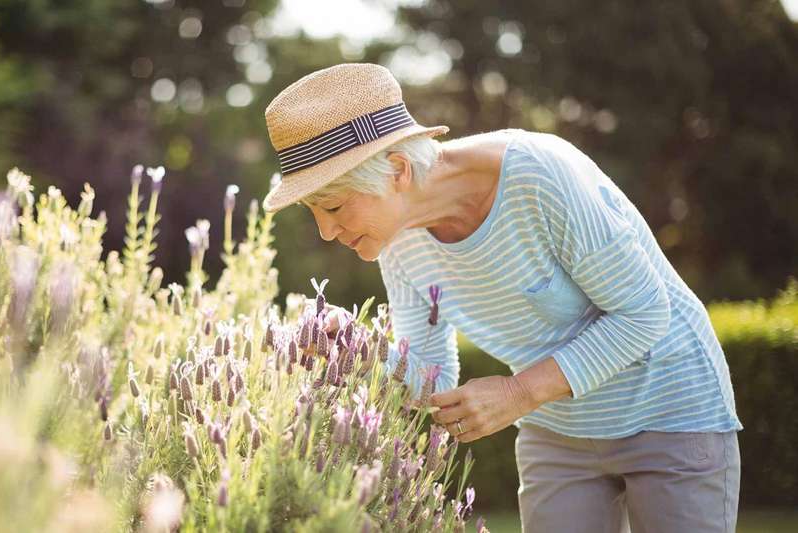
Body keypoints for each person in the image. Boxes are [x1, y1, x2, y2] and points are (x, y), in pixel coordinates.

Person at [260, 63, 743, 533]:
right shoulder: (399, 241)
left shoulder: (538, 176)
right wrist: (355, 350)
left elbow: (643, 312)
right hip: (558, 432)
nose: (326, 231)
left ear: (398, 171)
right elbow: (431, 377)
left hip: (671, 409)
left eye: (335, 206)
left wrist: (518, 393)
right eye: (314, 211)